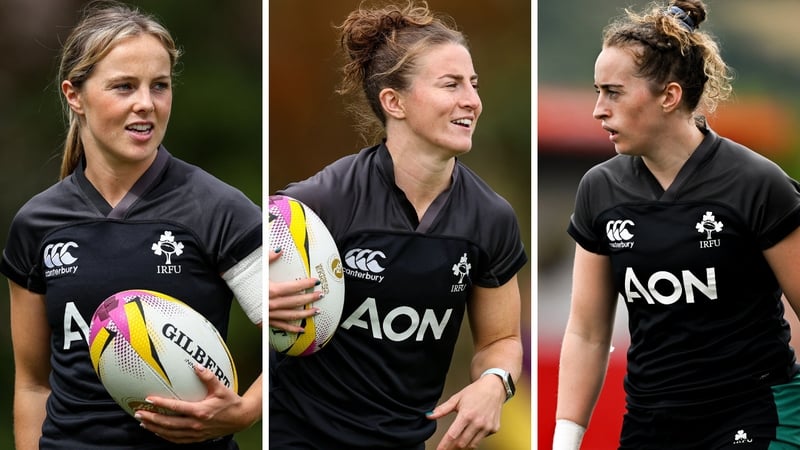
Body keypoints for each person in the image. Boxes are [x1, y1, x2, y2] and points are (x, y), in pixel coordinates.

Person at [1, 2, 263, 449]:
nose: (146, 104)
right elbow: (32, 385)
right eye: (124, 86)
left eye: (159, 86)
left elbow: (303, 344)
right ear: (74, 95)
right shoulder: (38, 224)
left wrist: (244, 411)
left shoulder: (218, 210)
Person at [268, 1, 528, 449]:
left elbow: (501, 339)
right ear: (395, 101)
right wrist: (260, 299)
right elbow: (241, 282)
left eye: (473, 84)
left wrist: (495, 381)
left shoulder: (491, 219)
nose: (472, 100)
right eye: (451, 85)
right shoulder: (320, 203)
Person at [554, 0, 800, 449]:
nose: (598, 110)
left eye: (613, 92)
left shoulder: (757, 184)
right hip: (651, 424)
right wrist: (564, 442)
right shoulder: (599, 190)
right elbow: (587, 332)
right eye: (596, 91)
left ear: (669, 96)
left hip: (756, 415)